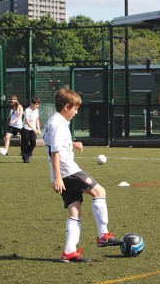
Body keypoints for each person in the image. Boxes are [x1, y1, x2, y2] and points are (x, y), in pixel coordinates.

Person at [43, 88, 122, 263]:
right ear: (66, 106)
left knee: (75, 209)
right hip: (67, 171)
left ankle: (69, 252)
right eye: (75, 109)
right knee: (100, 192)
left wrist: (72, 143)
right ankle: (103, 235)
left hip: (62, 173)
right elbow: (54, 152)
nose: (76, 112)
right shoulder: (58, 124)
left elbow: (55, 144)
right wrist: (58, 177)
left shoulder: (56, 121)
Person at [21, 97, 41, 163]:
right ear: (32, 103)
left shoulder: (36, 110)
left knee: (33, 142)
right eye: (36, 104)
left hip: (33, 129)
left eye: (38, 104)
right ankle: (25, 158)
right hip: (26, 128)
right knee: (25, 143)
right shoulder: (27, 110)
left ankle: (29, 154)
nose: (37, 106)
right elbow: (27, 121)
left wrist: (38, 129)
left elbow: (37, 119)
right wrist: (34, 129)